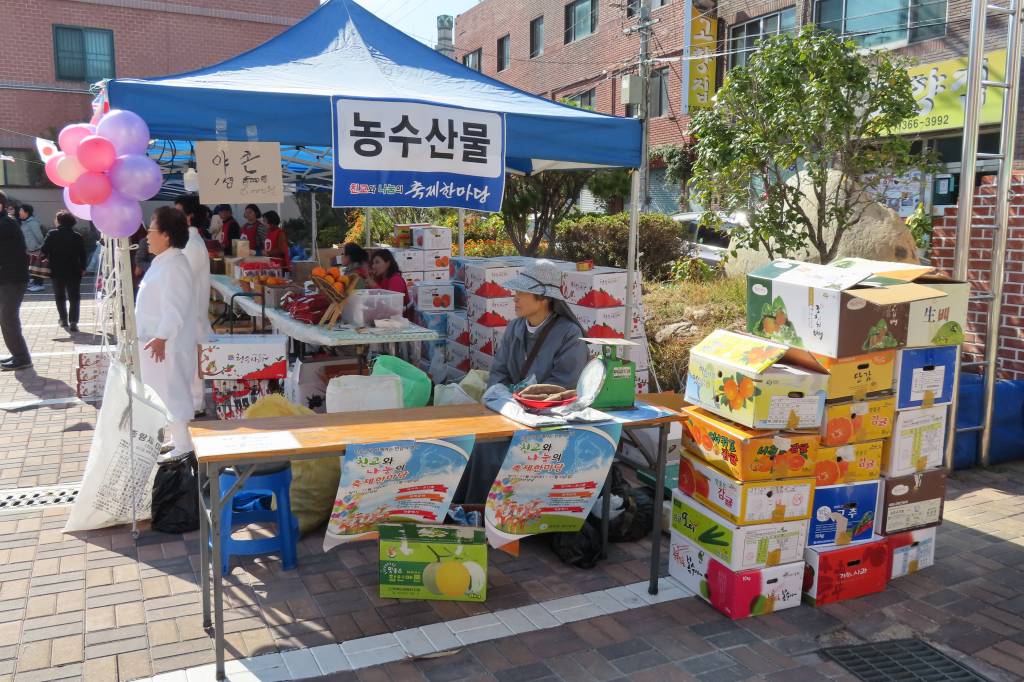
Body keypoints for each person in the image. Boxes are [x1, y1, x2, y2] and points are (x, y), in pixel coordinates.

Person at [455, 261, 590, 503]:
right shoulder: (515, 327)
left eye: (521, 293)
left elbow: (562, 387)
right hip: (511, 412)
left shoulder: (570, 334)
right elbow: (499, 371)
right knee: (470, 440)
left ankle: (484, 513)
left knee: (488, 450)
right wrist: (506, 400)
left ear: (544, 299)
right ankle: (468, 509)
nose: (514, 298)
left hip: (549, 422)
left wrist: (522, 404)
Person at [136, 207, 198, 461]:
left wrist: (162, 336)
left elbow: (175, 307)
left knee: (174, 392)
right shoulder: (164, 261)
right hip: (158, 340)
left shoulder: (174, 265)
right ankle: (177, 439)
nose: (147, 237)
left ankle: (184, 445)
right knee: (163, 392)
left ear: (167, 235)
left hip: (168, 342)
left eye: (151, 231)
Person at [177, 196, 214, 417]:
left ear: (189, 216)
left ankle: (195, 404)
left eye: (177, 211)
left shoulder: (192, 244)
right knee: (189, 364)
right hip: (188, 315)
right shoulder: (187, 242)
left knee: (191, 364)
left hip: (190, 315)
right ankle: (194, 403)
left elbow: (183, 282)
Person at [40, 210, 87, 333]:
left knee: (59, 296)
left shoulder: (52, 234)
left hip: (56, 270)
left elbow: (44, 251)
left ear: (59, 221)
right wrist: (83, 268)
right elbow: (83, 255)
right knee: (74, 297)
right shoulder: (77, 236)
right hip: (74, 270)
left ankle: (63, 319)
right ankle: (73, 322)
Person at [0, 191, 31, 371]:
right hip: (7, 278)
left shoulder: (6, 224)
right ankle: (18, 355)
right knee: (6, 318)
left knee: (8, 318)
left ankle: (22, 357)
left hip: (12, 279)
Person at [18, 205, 46, 292]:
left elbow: (39, 236)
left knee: (38, 267)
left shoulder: (33, 223)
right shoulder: (25, 222)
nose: (19, 212)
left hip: (36, 249)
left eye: (21, 210)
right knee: (33, 267)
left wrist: (41, 247)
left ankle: (39, 285)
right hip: (30, 249)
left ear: (26, 212)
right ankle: (35, 282)